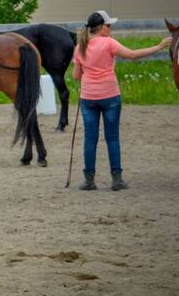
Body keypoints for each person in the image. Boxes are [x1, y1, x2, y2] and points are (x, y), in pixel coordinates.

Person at [72, 10, 171, 191]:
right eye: (109, 25)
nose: (110, 28)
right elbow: (133, 55)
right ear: (100, 27)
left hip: (88, 98)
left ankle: (89, 180)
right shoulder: (109, 43)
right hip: (110, 96)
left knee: (90, 139)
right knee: (112, 138)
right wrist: (159, 46)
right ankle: (116, 179)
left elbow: (76, 75)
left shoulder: (80, 47)